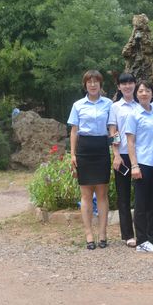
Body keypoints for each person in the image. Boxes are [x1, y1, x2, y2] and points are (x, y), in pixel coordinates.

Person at [68, 70, 113, 250]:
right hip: (84, 149)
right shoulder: (78, 105)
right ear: (85, 85)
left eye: (96, 82)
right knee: (86, 195)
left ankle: (102, 233)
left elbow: (112, 128)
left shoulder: (109, 104)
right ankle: (88, 235)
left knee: (102, 194)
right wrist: (73, 154)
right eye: (89, 82)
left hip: (102, 148)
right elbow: (74, 131)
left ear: (101, 84)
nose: (93, 85)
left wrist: (116, 150)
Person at [125, 80, 153, 253]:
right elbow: (130, 142)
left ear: (152, 93)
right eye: (141, 91)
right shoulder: (134, 115)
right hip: (142, 163)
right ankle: (142, 240)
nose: (144, 93)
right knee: (142, 203)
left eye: (147, 90)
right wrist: (134, 165)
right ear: (136, 94)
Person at [108, 72, 138, 247]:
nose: (127, 86)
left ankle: (143, 231)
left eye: (130, 83)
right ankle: (128, 234)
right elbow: (113, 131)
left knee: (141, 196)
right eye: (123, 83)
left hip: (140, 155)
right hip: (123, 155)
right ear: (119, 87)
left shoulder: (141, 104)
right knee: (124, 196)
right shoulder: (115, 107)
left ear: (135, 84)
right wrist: (116, 154)